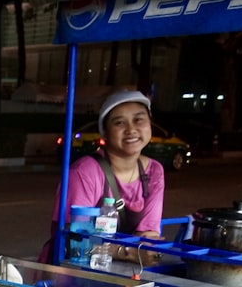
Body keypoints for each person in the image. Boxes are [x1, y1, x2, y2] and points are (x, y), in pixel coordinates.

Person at [40, 90, 165, 264]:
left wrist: (143, 250)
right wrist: (128, 252)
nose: (131, 129)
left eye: (139, 119)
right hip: (70, 269)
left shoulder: (154, 172)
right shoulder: (85, 172)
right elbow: (74, 241)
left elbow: (148, 234)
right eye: (119, 122)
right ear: (104, 133)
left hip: (120, 269)